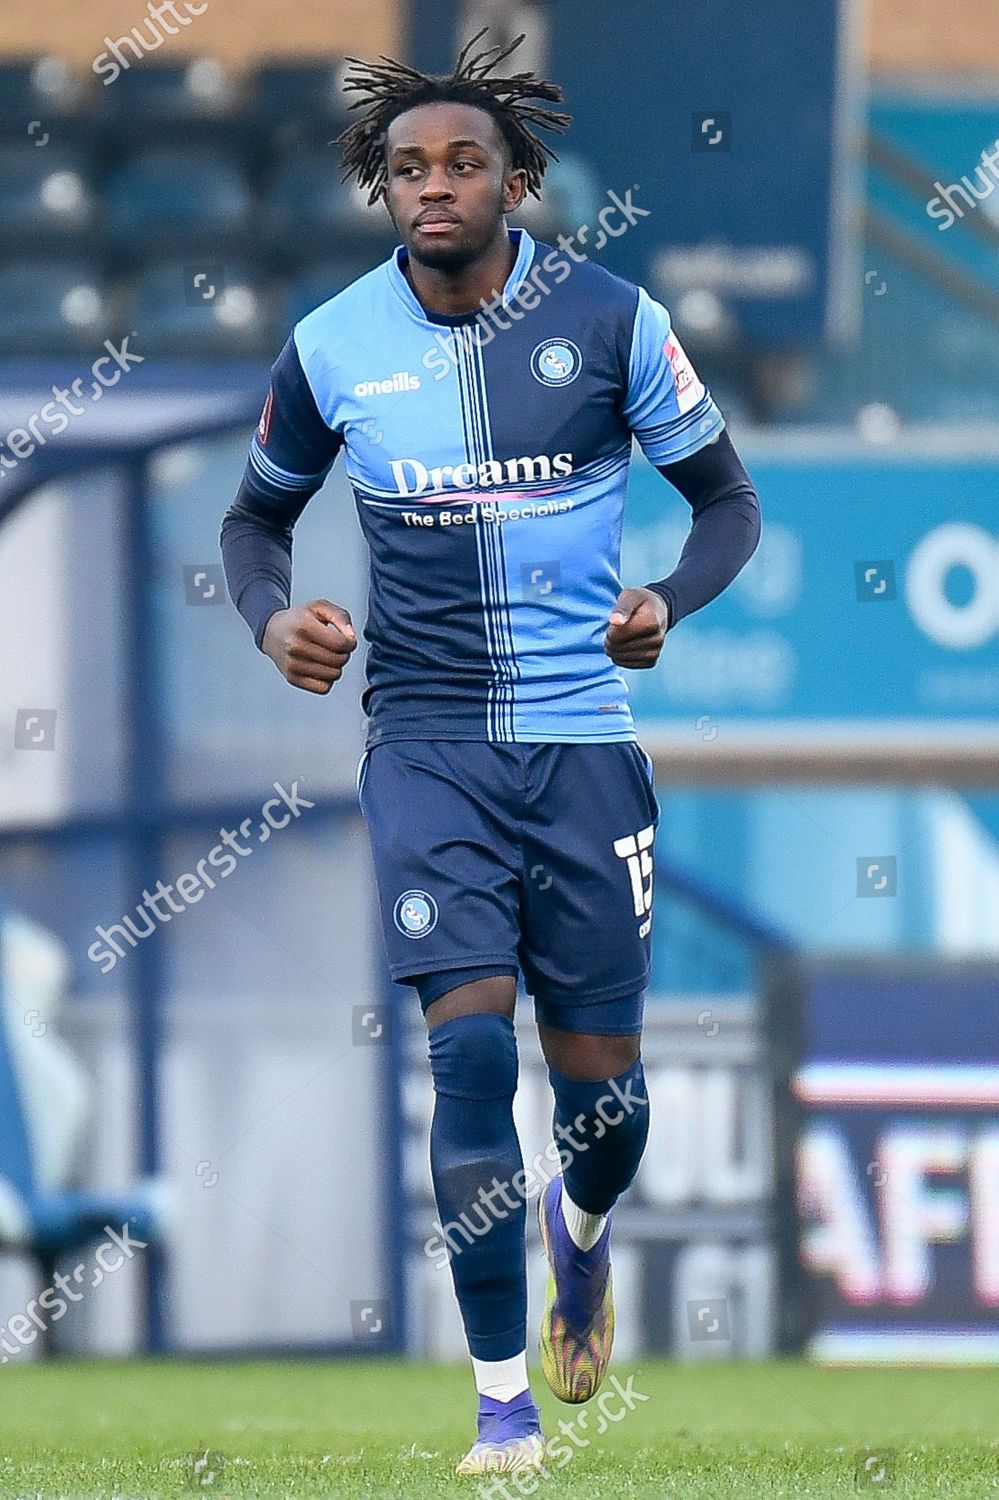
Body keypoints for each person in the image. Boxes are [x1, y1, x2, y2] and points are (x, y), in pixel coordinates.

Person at [220, 29, 760, 1477]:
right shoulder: (334, 346)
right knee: (467, 1066)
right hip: (428, 752)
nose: (434, 188)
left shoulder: (616, 324)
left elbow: (727, 505)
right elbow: (252, 524)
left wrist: (666, 601)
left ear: (517, 180)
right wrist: (275, 624)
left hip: (582, 750)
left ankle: (583, 1240)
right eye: (408, 168)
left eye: (464, 164)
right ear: (382, 189)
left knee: (604, 1101)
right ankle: (503, 1408)